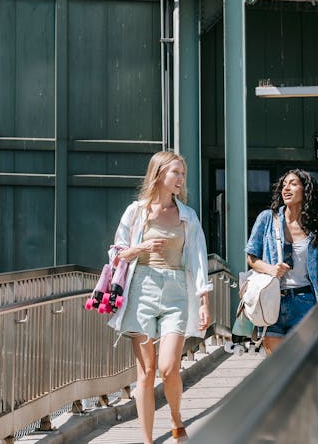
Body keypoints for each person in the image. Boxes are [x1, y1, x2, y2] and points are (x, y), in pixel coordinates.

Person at [106, 151, 212, 444]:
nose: (180, 179)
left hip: (176, 291)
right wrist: (142, 248)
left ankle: (177, 420)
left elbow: (199, 259)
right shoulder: (136, 212)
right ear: (159, 174)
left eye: (182, 174)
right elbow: (117, 253)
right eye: (175, 172)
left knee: (168, 368)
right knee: (146, 372)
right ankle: (147, 440)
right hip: (141, 290)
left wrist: (204, 301)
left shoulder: (187, 215)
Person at [245, 169, 318, 354]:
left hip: (305, 303)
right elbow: (251, 257)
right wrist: (270, 269)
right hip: (271, 300)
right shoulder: (267, 219)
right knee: (275, 368)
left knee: (301, 368)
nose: (286, 188)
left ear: (306, 190)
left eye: (293, 183)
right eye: (283, 185)